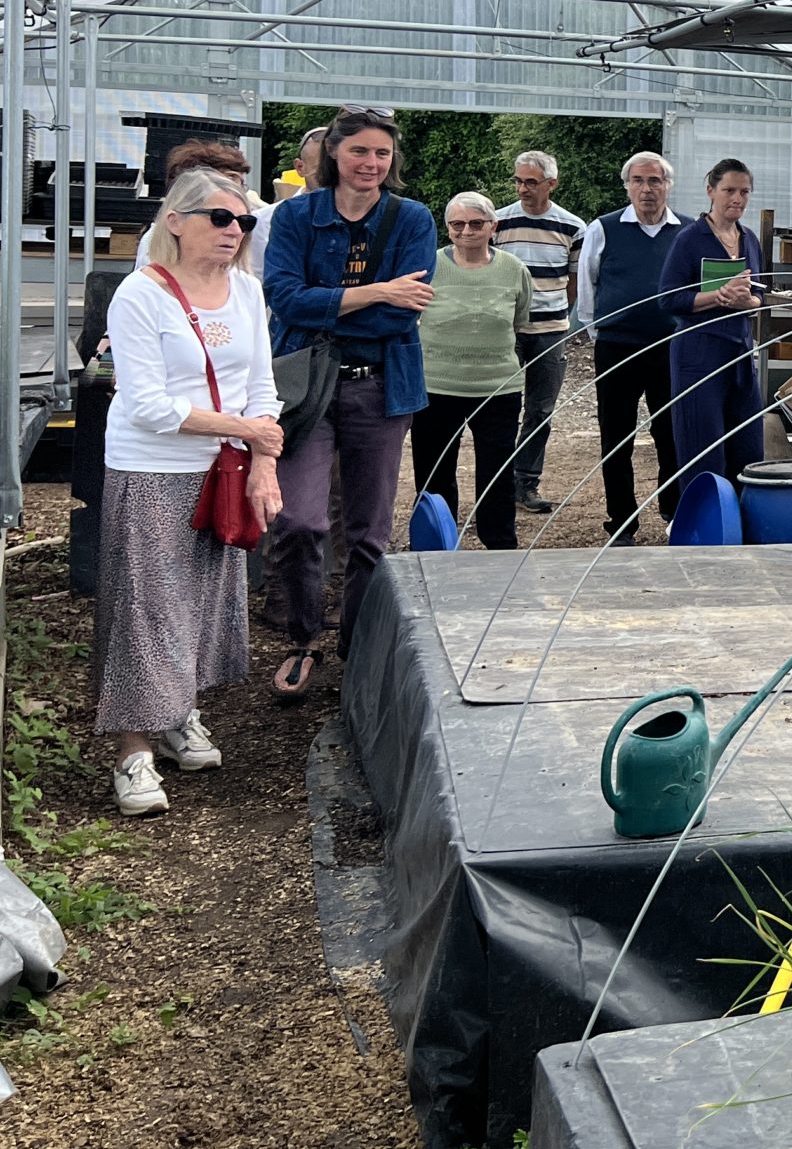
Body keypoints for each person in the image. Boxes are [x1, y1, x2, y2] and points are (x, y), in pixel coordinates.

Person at [96, 169, 283, 815]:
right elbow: (147, 404)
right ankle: (133, 751)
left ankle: (178, 714)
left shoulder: (246, 292)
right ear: (175, 220)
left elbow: (263, 384)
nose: (235, 231)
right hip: (152, 469)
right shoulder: (140, 295)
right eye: (220, 218)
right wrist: (249, 432)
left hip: (222, 470)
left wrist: (262, 460)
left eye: (244, 222)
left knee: (206, 602)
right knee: (148, 608)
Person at [263, 104, 437, 698]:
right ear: (334, 154)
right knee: (299, 519)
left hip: (382, 387)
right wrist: (375, 290)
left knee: (368, 532)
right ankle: (303, 635)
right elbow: (284, 298)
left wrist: (340, 302)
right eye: (359, 150)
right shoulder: (295, 216)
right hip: (306, 388)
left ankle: (356, 643)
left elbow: (401, 313)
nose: (371, 162)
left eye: (381, 153)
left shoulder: (411, 218)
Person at [410, 191, 535, 551]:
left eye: (476, 224)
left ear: (493, 227)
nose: (467, 231)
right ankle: (436, 543)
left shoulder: (514, 269)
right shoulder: (427, 268)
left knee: (496, 472)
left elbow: (520, 319)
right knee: (434, 473)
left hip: (497, 388)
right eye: (457, 224)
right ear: (447, 228)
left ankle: (499, 546)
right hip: (437, 386)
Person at [576, 151, 689, 543]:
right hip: (617, 347)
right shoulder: (604, 228)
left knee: (671, 432)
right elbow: (587, 286)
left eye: (655, 181)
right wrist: (601, 331)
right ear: (627, 186)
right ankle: (621, 522)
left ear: (668, 186)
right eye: (638, 180)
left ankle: (674, 511)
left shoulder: (687, 232)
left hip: (671, 348)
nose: (647, 189)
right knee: (616, 435)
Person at [661, 158, 766, 508]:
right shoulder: (690, 238)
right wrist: (716, 296)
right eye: (729, 191)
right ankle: (703, 525)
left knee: (748, 446)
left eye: (744, 192)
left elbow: (760, 293)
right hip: (699, 353)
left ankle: (743, 527)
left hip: (739, 350)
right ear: (711, 192)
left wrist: (749, 300)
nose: (737, 198)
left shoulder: (749, 238)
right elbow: (669, 297)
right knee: (702, 447)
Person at [493, 150, 585, 514]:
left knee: (541, 409)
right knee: (501, 407)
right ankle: (498, 484)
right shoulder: (497, 222)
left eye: (531, 182)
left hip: (550, 331)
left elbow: (574, 282)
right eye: (518, 181)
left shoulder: (573, 227)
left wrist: (559, 314)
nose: (522, 188)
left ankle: (525, 482)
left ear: (551, 183)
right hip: (506, 331)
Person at [249, 126, 325, 275]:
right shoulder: (264, 221)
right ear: (299, 167)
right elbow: (258, 282)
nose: (331, 179)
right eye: (321, 171)